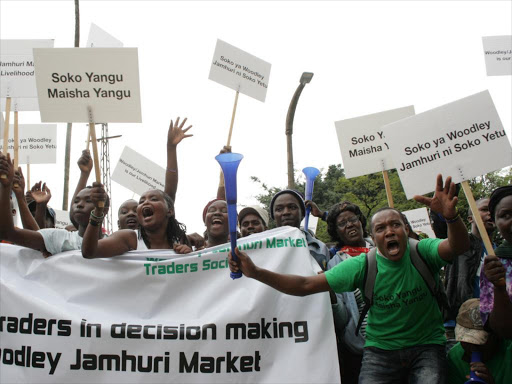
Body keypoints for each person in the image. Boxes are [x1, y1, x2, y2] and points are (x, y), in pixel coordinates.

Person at [229, 175, 470, 383]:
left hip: (427, 346)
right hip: (380, 351)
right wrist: (256, 272)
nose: (388, 231)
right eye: (381, 228)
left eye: (395, 225)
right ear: (373, 239)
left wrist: (451, 218)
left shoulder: (423, 251)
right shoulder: (362, 265)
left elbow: (458, 246)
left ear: (405, 230)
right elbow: (305, 285)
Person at [0, 153, 109, 256]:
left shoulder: (115, 242)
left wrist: (84, 174)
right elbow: (8, 233)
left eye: (89, 201)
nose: (79, 205)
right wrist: (6, 187)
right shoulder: (58, 238)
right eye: (76, 201)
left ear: (104, 210)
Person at [325, 201, 373, 383]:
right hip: (361, 351)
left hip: (397, 340)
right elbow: (342, 319)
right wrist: (331, 295)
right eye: (342, 223)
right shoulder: (335, 264)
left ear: (361, 221)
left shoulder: (382, 248)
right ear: (336, 231)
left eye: (352, 219)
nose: (350, 225)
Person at [82, 185, 191, 258]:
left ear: (170, 211)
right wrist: (97, 212)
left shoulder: (180, 240)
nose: (145, 203)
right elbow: (89, 252)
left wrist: (188, 255)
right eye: (141, 201)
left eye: (153, 199)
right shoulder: (129, 238)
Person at [444, 198, 496, 349]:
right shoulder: (460, 245)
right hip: (460, 324)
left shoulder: (498, 251)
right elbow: (444, 226)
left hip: (492, 324)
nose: (489, 213)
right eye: (484, 209)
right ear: (470, 218)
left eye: (492, 210)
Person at [447, 298, 512, 384]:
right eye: (466, 340)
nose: (472, 347)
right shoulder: (454, 357)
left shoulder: (508, 352)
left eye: (478, 342)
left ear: (496, 335)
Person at [480, 185, 512, 339]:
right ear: (495, 221)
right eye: (506, 215)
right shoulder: (495, 266)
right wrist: (499, 288)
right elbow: (502, 330)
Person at [270, 189, 330, 270]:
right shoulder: (264, 247)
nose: (286, 212)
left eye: (292, 207)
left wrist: (323, 215)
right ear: (273, 216)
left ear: (302, 214)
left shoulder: (320, 248)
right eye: (279, 209)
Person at [164, 117, 193, 202]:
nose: (147, 202)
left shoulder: (167, 207)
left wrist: (171, 147)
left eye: (154, 199)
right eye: (124, 212)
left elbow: (169, 195)